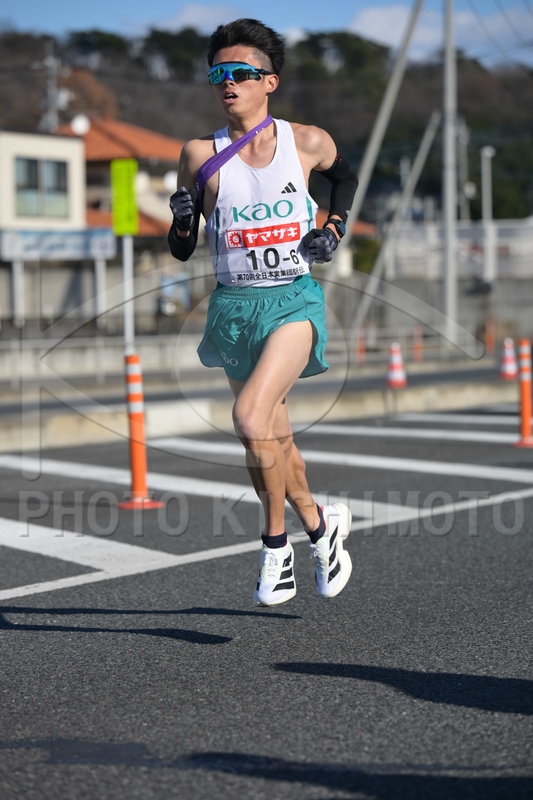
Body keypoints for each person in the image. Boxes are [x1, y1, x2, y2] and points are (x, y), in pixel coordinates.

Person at [168, 18, 358, 606]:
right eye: (218, 74)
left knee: (250, 419)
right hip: (233, 308)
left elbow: (345, 179)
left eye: (241, 73)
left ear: (269, 81)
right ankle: (322, 529)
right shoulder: (200, 155)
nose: (228, 82)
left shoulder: (307, 142)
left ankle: (276, 549)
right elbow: (182, 247)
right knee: (272, 440)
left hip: (292, 300)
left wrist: (333, 227)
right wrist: (181, 221)